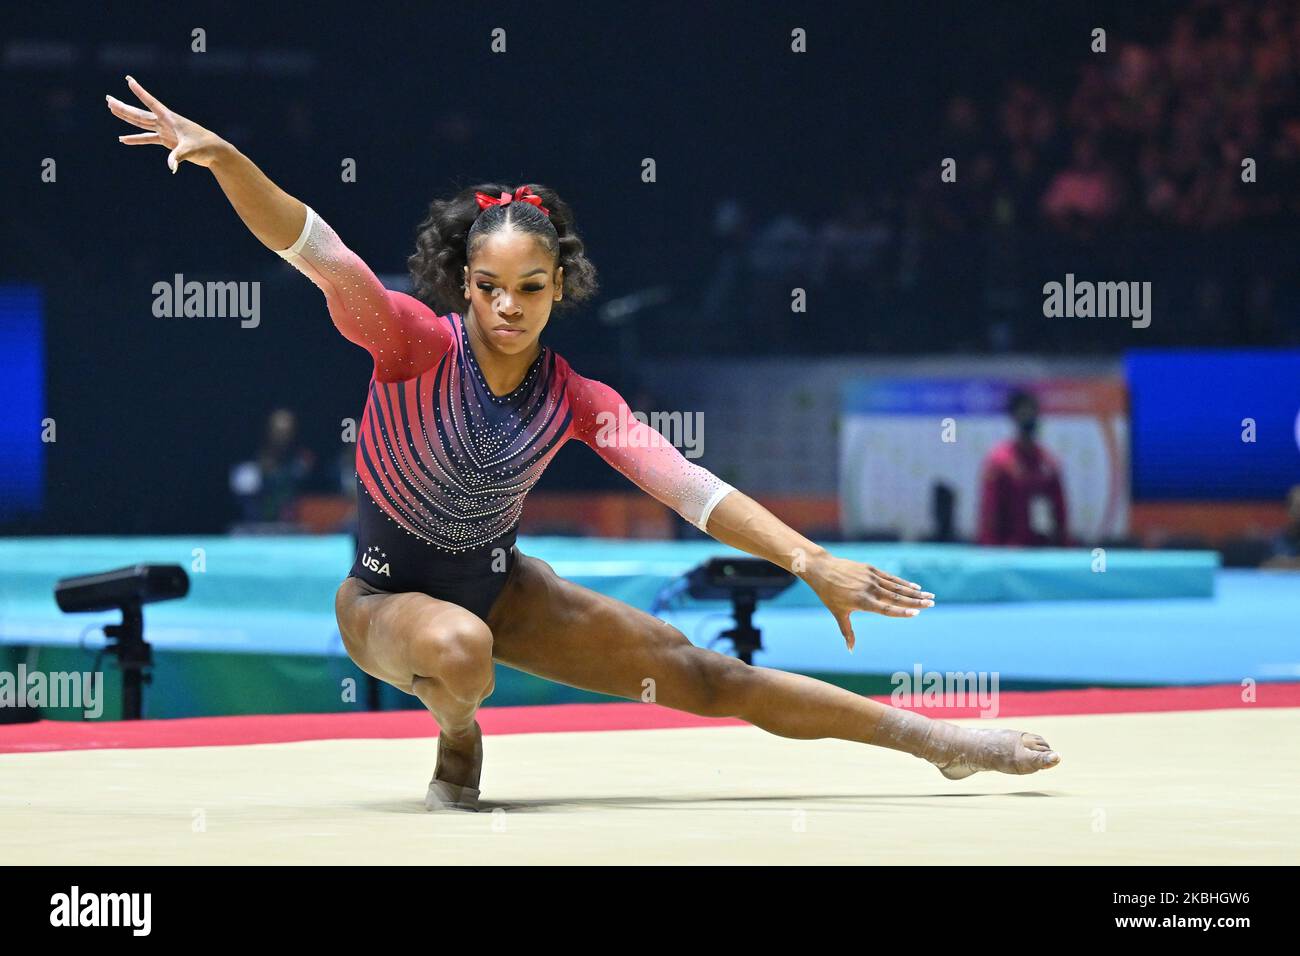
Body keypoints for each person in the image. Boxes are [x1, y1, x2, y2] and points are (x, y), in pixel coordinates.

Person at [107, 76, 1061, 810]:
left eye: (529, 287)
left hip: (503, 587)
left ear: (560, 285)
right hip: (385, 598)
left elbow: (688, 486)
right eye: (488, 286)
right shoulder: (407, 341)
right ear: (463, 281)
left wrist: (809, 559)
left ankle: (937, 742)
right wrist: (228, 160)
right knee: (458, 646)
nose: (506, 307)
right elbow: (316, 250)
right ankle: (458, 734)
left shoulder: (575, 397)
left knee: (706, 675)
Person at [978, 390, 1070, 547]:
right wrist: (990, 552)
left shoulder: (1047, 463)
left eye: (1031, 412)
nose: (1028, 417)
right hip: (1009, 551)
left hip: (1042, 549)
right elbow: (990, 512)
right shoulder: (1000, 462)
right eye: (1023, 413)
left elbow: (1060, 512)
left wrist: (1063, 548)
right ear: (1014, 418)